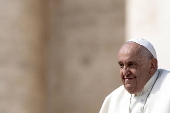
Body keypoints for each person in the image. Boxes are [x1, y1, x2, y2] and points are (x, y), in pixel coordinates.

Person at [99, 38, 170, 113]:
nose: (125, 73)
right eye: (121, 65)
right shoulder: (113, 100)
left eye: (131, 64)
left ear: (152, 65)